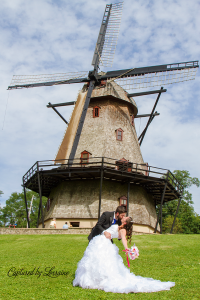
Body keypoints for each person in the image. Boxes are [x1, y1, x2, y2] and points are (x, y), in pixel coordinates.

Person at [73, 216, 175, 293]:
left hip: (103, 243)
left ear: (125, 222)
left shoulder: (122, 230)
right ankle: (93, 278)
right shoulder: (118, 225)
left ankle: (98, 279)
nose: (123, 216)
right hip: (99, 241)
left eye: (125, 217)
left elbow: (124, 239)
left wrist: (127, 249)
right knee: (94, 260)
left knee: (101, 261)